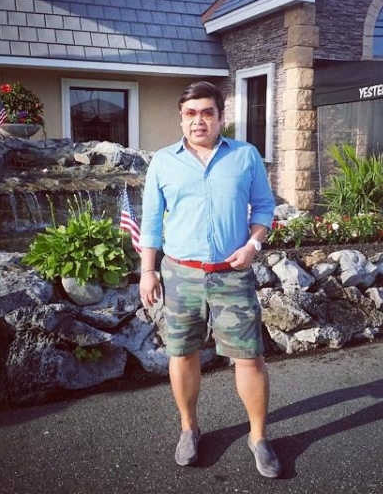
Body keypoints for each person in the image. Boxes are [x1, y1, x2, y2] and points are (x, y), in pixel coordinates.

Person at [138, 81, 281, 478]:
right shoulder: (163, 162)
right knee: (182, 353)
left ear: (220, 117)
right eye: (190, 113)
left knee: (249, 357)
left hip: (232, 274)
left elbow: (264, 207)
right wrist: (148, 270)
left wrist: (253, 245)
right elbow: (151, 221)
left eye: (206, 113)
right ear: (181, 118)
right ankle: (189, 428)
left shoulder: (245, 156)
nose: (198, 120)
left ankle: (258, 437)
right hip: (180, 274)